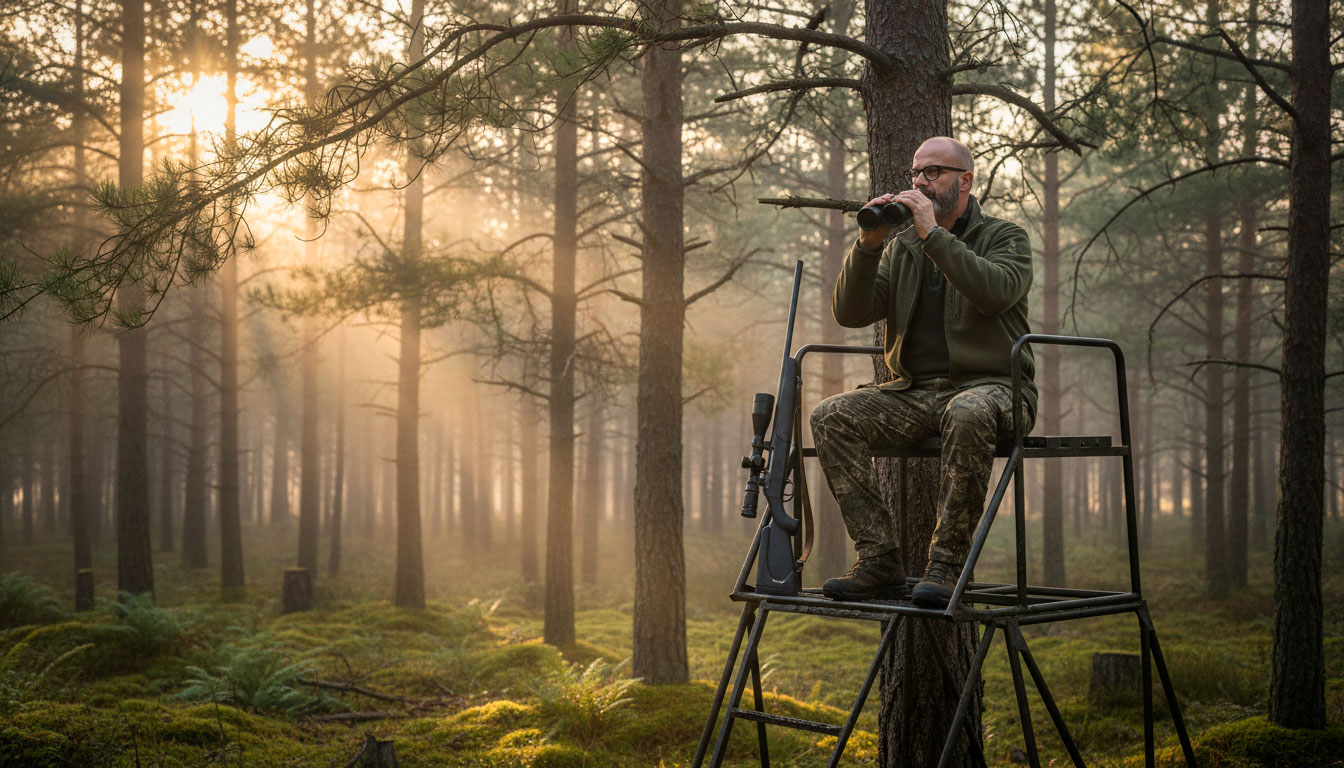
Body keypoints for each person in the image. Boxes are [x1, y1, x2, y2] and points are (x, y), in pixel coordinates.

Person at [810, 136, 1037, 608]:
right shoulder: (901, 248)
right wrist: (869, 246)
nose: (919, 181)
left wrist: (934, 236)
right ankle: (880, 560)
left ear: (965, 181)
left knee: (969, 411)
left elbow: (995, 293)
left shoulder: (1005, 237)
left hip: (993, 390)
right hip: (914, 393)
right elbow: (851, 313)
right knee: (831, 415)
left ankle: (946, 566)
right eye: (916, 173)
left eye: (933, 172)